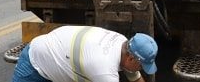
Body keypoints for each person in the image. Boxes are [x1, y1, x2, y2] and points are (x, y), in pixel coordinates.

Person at [11, 25, 158, 82]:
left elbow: (135, 78)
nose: (141, 69)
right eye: (141, 66)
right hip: (34, 64)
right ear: (131, 58)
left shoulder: (123, 43)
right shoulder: (105, 71)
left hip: (58, 61)